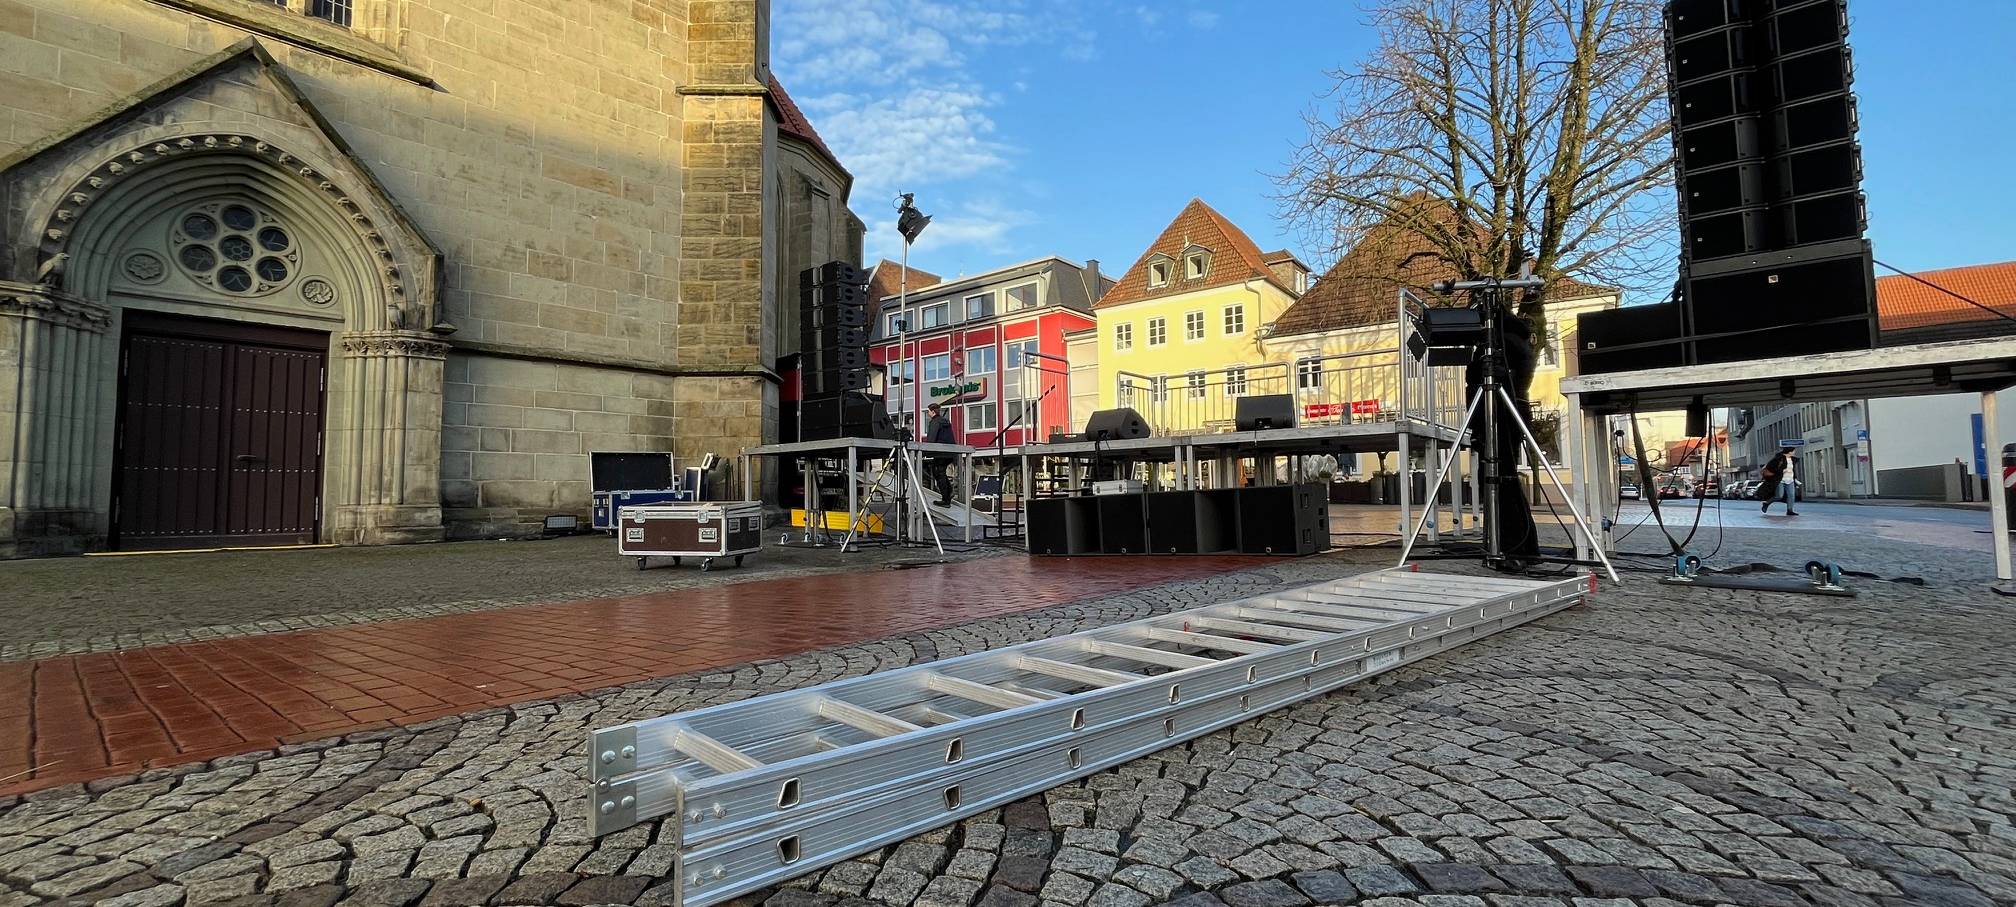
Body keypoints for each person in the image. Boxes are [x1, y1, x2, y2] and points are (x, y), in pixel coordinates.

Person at [1464, 307, 1540, 570]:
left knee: (1502, 481)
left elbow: (1477, 377)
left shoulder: (1501, 341)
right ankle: (1511, 545)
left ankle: (1512, 546)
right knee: (1504, 480)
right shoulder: (1519, 339)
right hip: (1509, 409)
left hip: (1500, 411)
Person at [923, 402, 956, 505]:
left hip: (940, 453)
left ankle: (946, 499)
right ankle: (949, 492)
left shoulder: (935, 422)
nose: (927, 413)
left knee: (938, 472)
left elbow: (931, 439)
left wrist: (925, 452)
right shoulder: (945, 421)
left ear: (933, 411)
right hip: (949, 452)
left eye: (928, 411)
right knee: (940, 472)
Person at [1759, 447, 1800, 516]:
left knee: (1791, 495)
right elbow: (1770, 467)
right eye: (1793, 451)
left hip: (1790, 480)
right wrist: (1780, 471)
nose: (1794, 453)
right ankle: (1767, 503)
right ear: (1789, 452)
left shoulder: (1792, 459)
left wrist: (1795, 478)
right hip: (1780, 480)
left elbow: (1793, 470)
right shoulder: (1779, 458)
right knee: (1779, 495)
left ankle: (1790, 510)